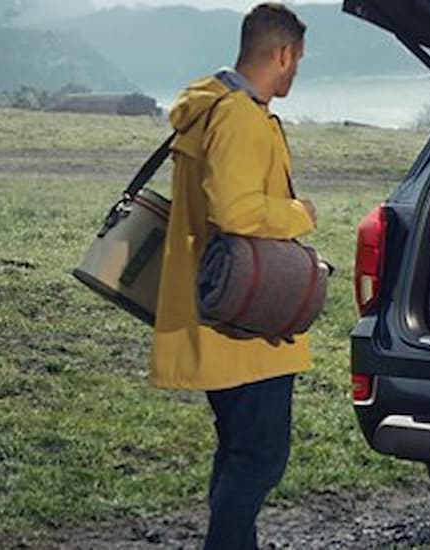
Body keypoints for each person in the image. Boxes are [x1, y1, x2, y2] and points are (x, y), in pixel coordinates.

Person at [150, 3, 313, 549]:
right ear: (284, 53)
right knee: (260, 458)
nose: (295, 73)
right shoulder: (240, 116)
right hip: (246, 319)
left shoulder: (212, 105)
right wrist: (299, 214)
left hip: (220, 306)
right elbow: (236, 210)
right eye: (297, 62)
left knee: (240, 451)